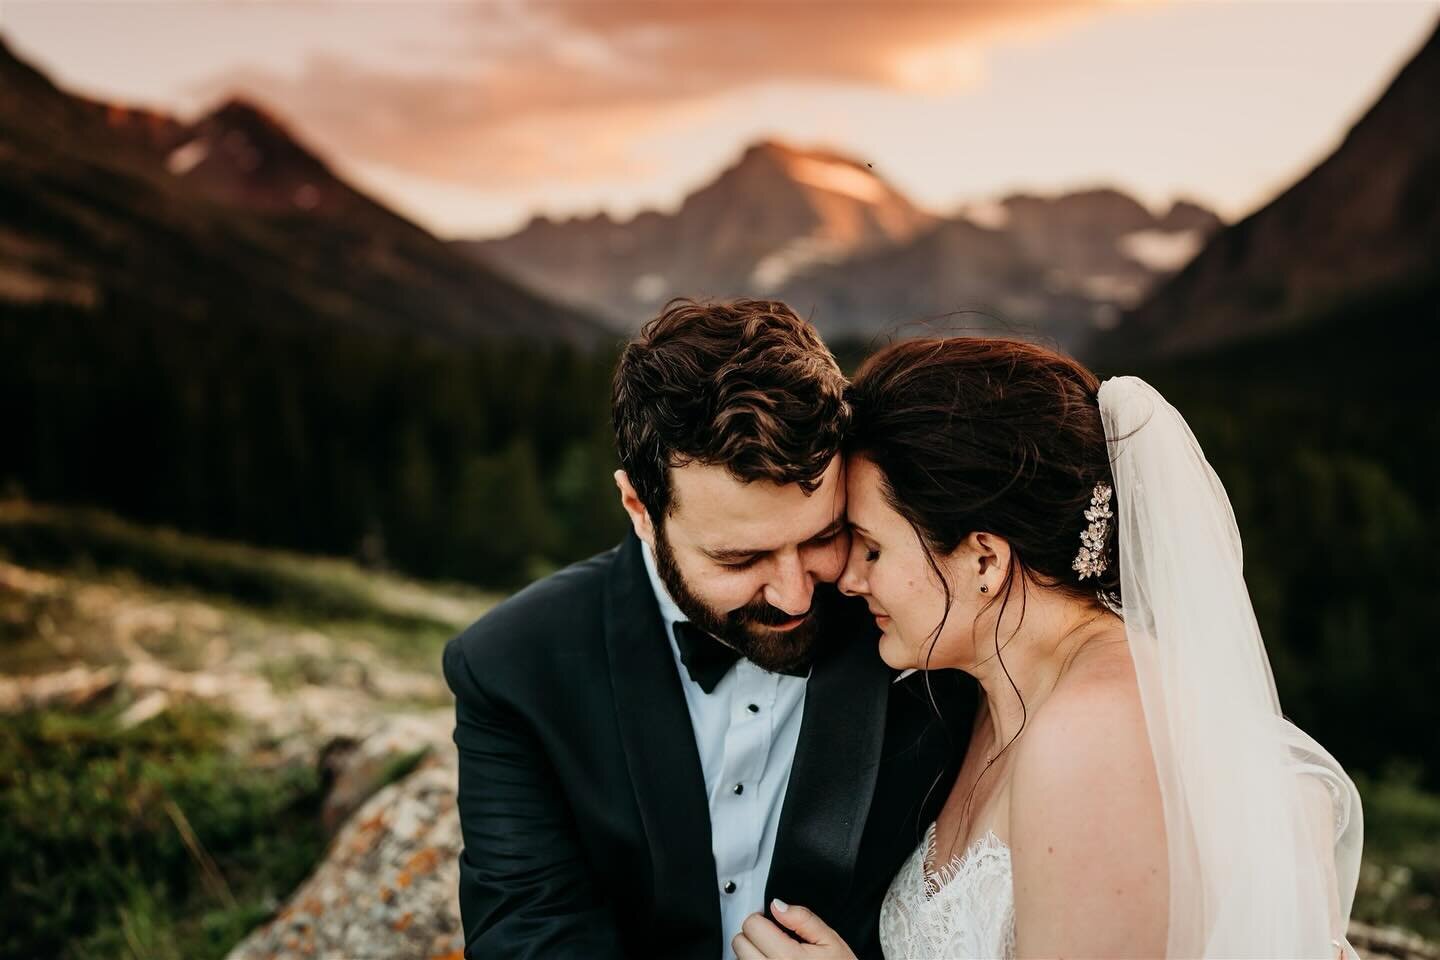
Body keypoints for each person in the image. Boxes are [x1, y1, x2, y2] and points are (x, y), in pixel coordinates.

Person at [732, 337, 1362, 959]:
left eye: (873, 548)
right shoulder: (994, 694)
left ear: (985, 559)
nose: (848, 578)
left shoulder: (1097, 736)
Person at [441, 300, 971, 960]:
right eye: (739, 558)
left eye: (822, 537)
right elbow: (530, 936)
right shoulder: (513, 665)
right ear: (639, 505)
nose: (795, 592)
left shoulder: (923, 633)